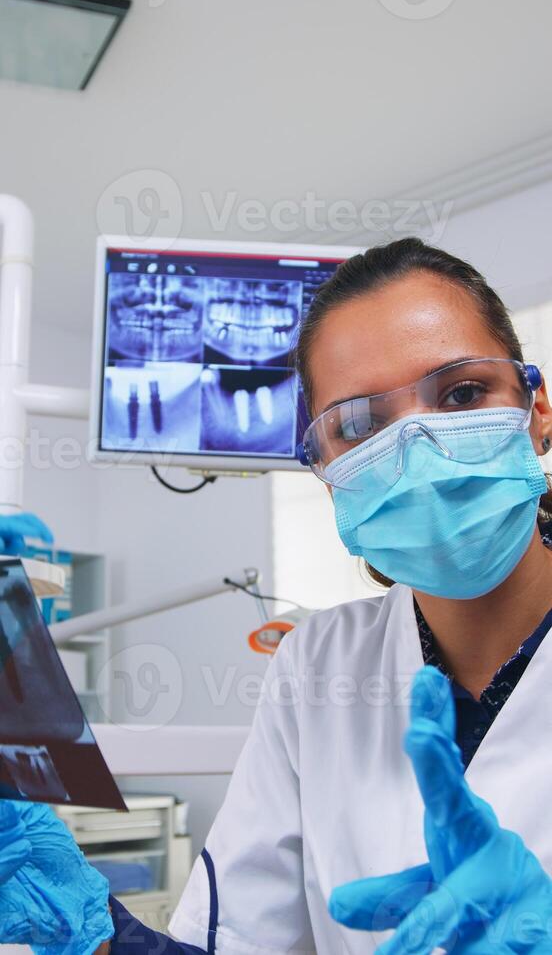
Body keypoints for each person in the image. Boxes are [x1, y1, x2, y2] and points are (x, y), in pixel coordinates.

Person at [1, 238, 552, 954]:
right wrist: (86, 928)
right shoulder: (320, 664)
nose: (419, 444)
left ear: (537, 409)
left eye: (462, 393)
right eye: (359, 424)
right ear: (327, 473)